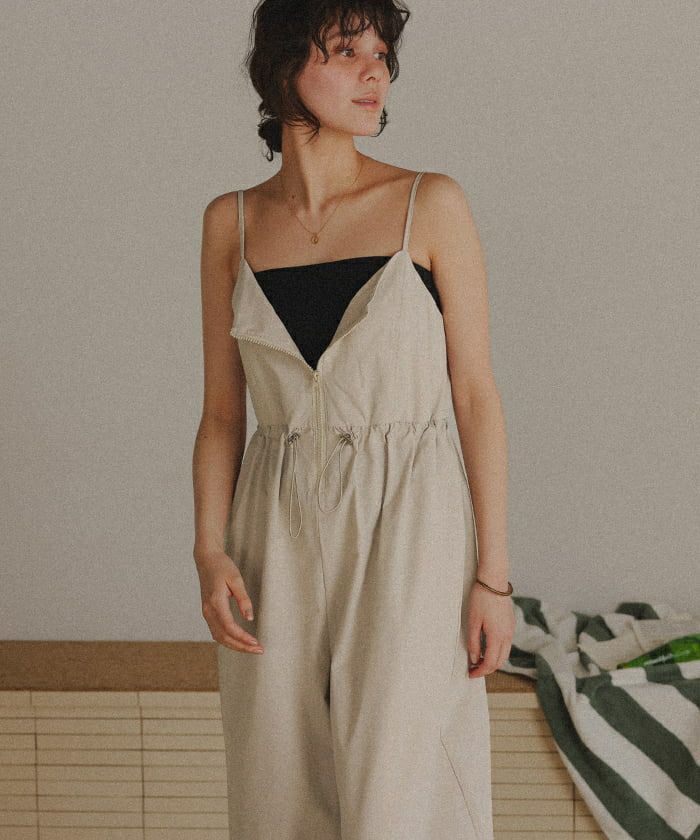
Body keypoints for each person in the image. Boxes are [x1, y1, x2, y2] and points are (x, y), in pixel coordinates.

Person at [192, 2, 515, 838]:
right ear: (284, 66)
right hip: (272, 528)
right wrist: (209, 547)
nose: (376, 72)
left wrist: (493, 577)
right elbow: (223, 411)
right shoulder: (231, 222)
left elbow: (475, 395)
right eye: (345, 52)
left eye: (382, 53)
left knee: (403, 790)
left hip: (411, 520)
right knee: (277, 786)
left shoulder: (428, 204)